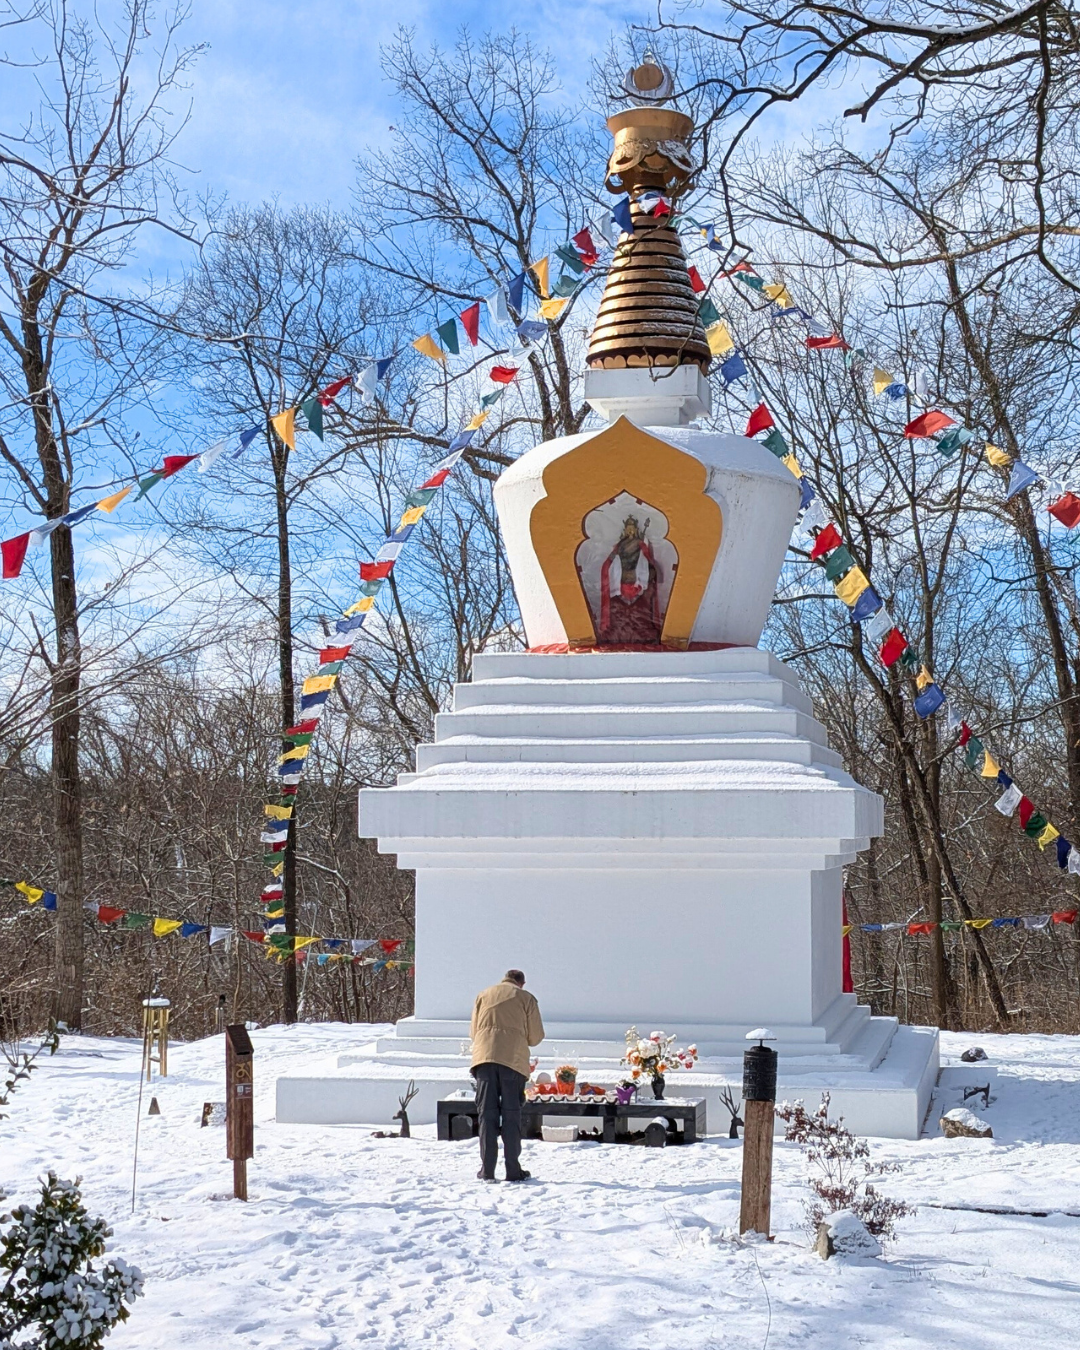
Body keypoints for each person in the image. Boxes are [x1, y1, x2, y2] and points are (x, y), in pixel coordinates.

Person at [470, 969, 545, 1182]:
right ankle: (513, 1170)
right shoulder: (526, 998)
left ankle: (487, 1169)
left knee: (486, 1115)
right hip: (513, 1061)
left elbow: (474, 1031)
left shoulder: (483, 994)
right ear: (522, 983)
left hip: (484, 1060)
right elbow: (536, 1037)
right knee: (511, 1115)